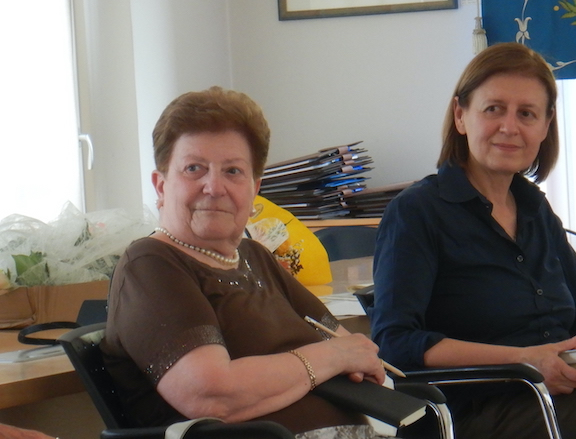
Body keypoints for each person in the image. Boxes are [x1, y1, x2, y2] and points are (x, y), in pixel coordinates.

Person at [370, 42, 576, 439]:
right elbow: (395, 342)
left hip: (562, 394)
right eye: (494, 109)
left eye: (526, 113)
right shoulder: (417, 211)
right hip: (475, 410)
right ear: (461, 116)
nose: (510, 127)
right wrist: (525, 360)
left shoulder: (534, 208)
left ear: (545, 126)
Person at [100, 86, 391, 439]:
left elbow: (350, 348)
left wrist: (343, 356)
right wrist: (332, 359)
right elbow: (212, 395)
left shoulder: (255, 257)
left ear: (254, 189)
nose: (214, 187)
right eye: (194, 168)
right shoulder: (151, 265)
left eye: (233, 171)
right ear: (161, 186)